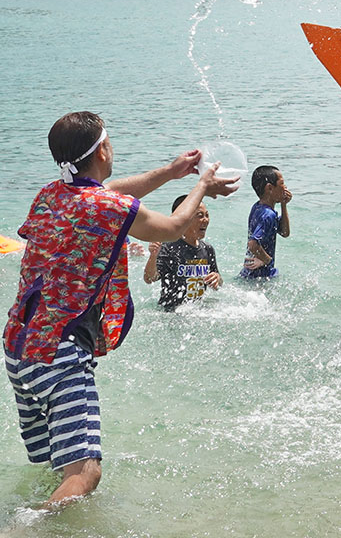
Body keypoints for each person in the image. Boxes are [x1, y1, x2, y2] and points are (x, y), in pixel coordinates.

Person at [5, 112, 236, 506]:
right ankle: (21, 530)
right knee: (85, 473)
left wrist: (169, 171)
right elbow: (171, 227)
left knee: (54, 468)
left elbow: (108, 189)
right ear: (104, 150)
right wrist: (201, 185)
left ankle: (40, 513)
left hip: (19, 350)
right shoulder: (107, 207)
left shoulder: (50, 195)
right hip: (59, 353)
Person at [143, 196, 222, 311]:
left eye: (207, 215)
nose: (205, 220)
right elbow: (149, 279)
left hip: (197, 310)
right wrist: (153, 255)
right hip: (171, 312)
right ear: (183, 219)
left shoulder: (207, 249)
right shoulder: (168, 248)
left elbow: (219, 282)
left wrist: (217, 278)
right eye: (199, 216)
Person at [243, 165, 292, 279]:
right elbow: (253, 244)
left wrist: (283, 204)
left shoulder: (258, 207)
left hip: (251, 275)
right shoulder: (267, 215)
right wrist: (267, 260)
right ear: (269, 188)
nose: (285, 188)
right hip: (259, 277)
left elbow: (285, 232)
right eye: (282, 184)